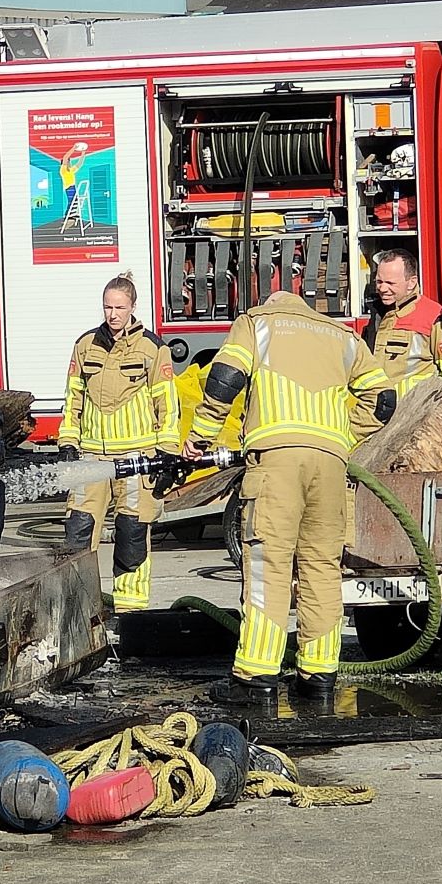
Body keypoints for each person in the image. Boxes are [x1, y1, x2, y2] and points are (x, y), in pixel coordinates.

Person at [183, 291, 393, 707]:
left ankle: (256, 676)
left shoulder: (256, 323)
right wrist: (343, 433)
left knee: (269, 565)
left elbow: (225, 377)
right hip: (331, 464)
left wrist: (201, 434)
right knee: (322, 568)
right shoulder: (341, 334)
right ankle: (319, 675)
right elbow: (383, 399)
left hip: (277, 462)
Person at [57, 273, 180, 613]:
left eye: (120, 308)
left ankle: (131, 612)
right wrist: (68, 441)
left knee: (132, 535)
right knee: (78, 533)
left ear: (133, 307)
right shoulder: (85, 345)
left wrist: (167, 454)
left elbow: (167, 404)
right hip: (92, 460)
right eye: (108, 307)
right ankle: (78, 612)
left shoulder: (153, 349)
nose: (113, 314)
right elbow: (74, 398)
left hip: (137, 460)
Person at [363, 249, 442, 391]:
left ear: (411, 282)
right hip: (378, 409)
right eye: (379, 281)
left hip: (415, 410)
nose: (382, 288)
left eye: (390, 283)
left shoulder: (436, 319)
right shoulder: (378, 315)